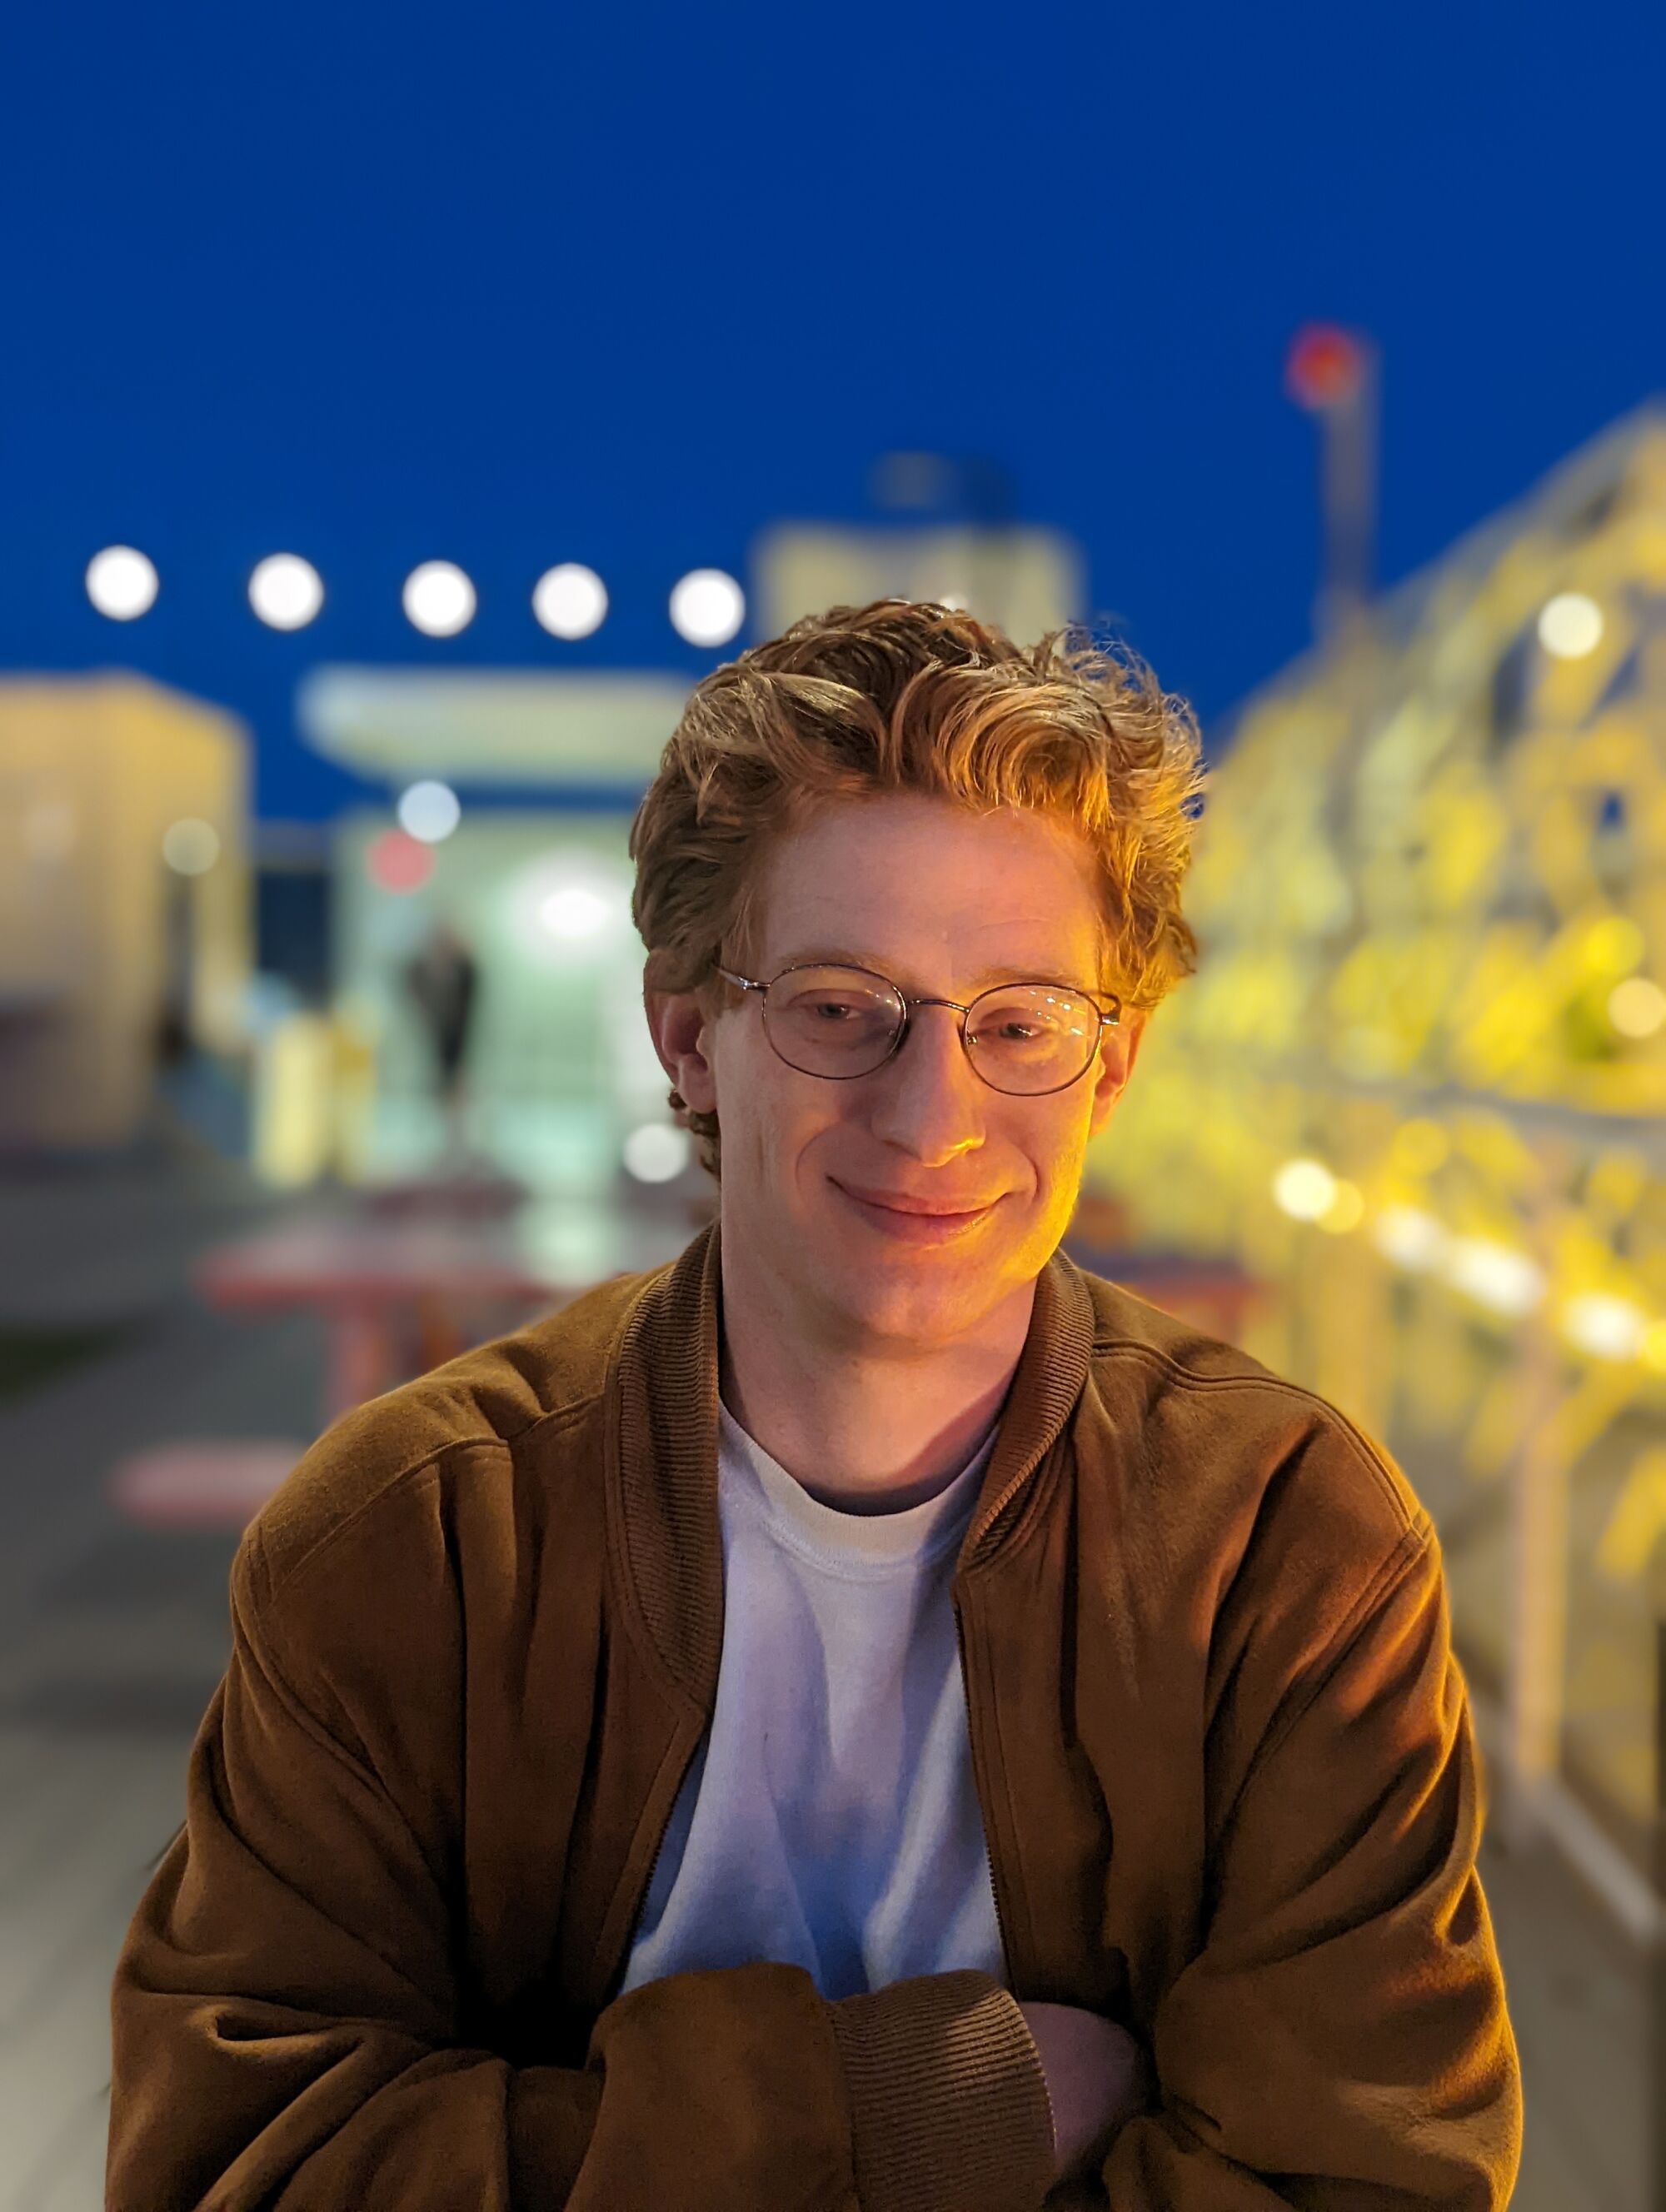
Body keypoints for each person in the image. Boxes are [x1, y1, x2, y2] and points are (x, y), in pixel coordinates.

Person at [106, 600, 1522, 2210]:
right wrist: (903, 2110)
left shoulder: (1284, 1549)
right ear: (690, 1036)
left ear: (1113, 1066)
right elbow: (236, 2165)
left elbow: (1367, 2181)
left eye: (1021, 1022)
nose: (934, 1116)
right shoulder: (416, 1541)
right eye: (842, 1006)